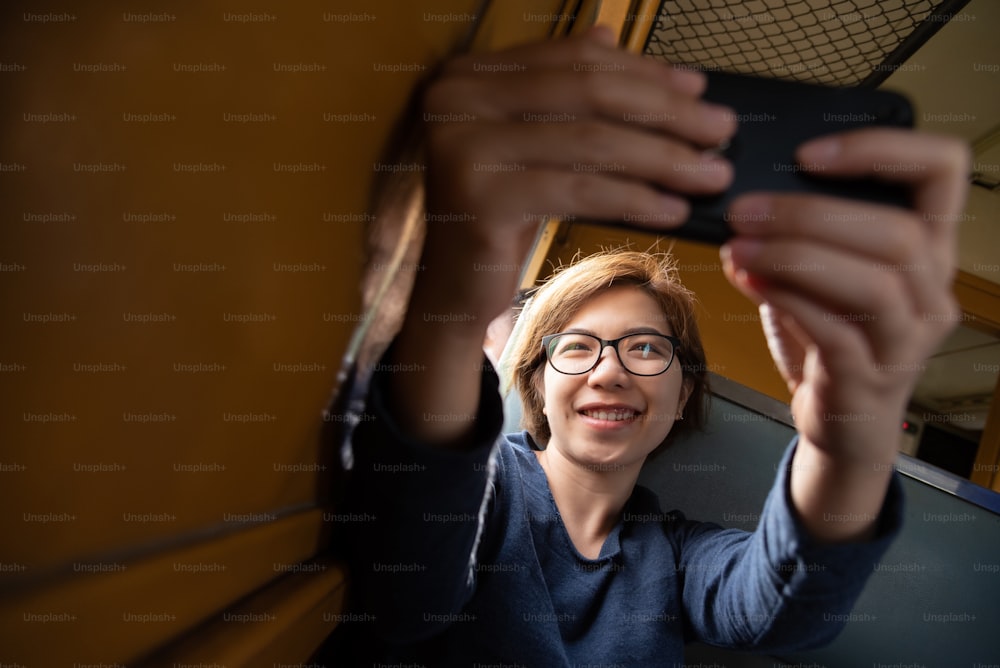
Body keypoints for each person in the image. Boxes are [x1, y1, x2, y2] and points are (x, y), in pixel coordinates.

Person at [331, 26, 970, 666]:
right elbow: (409, 591)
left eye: (643, 349)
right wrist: (449, 305)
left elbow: (783, 614)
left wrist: (847, 436)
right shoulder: (485, 489)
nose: (608, 374)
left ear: (683, 389)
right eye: (577, 348)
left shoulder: (677, 556)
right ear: (537, 384)